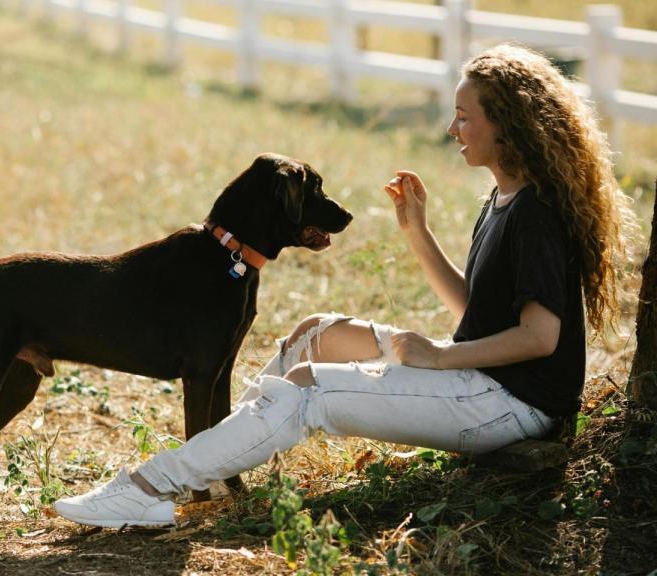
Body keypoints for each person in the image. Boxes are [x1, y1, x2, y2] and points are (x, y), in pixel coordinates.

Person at [53, 43, 633, 528]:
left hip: (513, 405)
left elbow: (539, 337)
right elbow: (478, 310)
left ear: (506, 123)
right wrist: (418, 233)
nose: (451, 128)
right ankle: (223, 466)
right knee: (315, 334)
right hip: (482, 381)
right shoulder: (504, 197)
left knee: (310, 388)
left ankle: (150, 486)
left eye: (464, 116)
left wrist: (438, 356)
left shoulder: (535, 214)